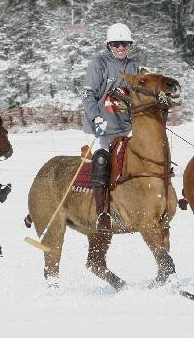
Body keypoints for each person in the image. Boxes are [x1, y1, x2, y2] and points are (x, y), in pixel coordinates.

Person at [81, 22, 140, 232]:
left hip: (125, 126)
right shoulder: (99, 64)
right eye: (116, 44)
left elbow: (138, 96)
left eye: (124, 44)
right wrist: (95, 117)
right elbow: (87, 94)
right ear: (109, 45)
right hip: (102, 127)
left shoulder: (133, 67)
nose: (120, 48)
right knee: (101, 160)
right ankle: (102, 213)